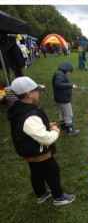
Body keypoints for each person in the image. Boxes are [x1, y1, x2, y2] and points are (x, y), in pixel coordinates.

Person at [6, 77, 76, 206]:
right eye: (36, 90)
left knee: (36, 173)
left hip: (30, 152)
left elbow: (28, 129)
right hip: (39, 152)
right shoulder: (29, 116)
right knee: (52, 172)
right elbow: (45, 138)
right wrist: (55, 131)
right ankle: (59, 197)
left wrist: (45, 125)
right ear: (29, 94)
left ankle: (41, 194)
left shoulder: (19, 108)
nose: (39, 92)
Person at [51, 62, 79, 135]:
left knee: (62, 113)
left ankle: (63, 128)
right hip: (63, 99)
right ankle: (70, 130)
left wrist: (70, 87)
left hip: (60, 98)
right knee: (68, 114)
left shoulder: (58, 73)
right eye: (69, 72)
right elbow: (58, 84)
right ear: (66, 69)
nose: (69, 74)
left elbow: (61, 85)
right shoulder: (59, 74)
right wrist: (71, 85)